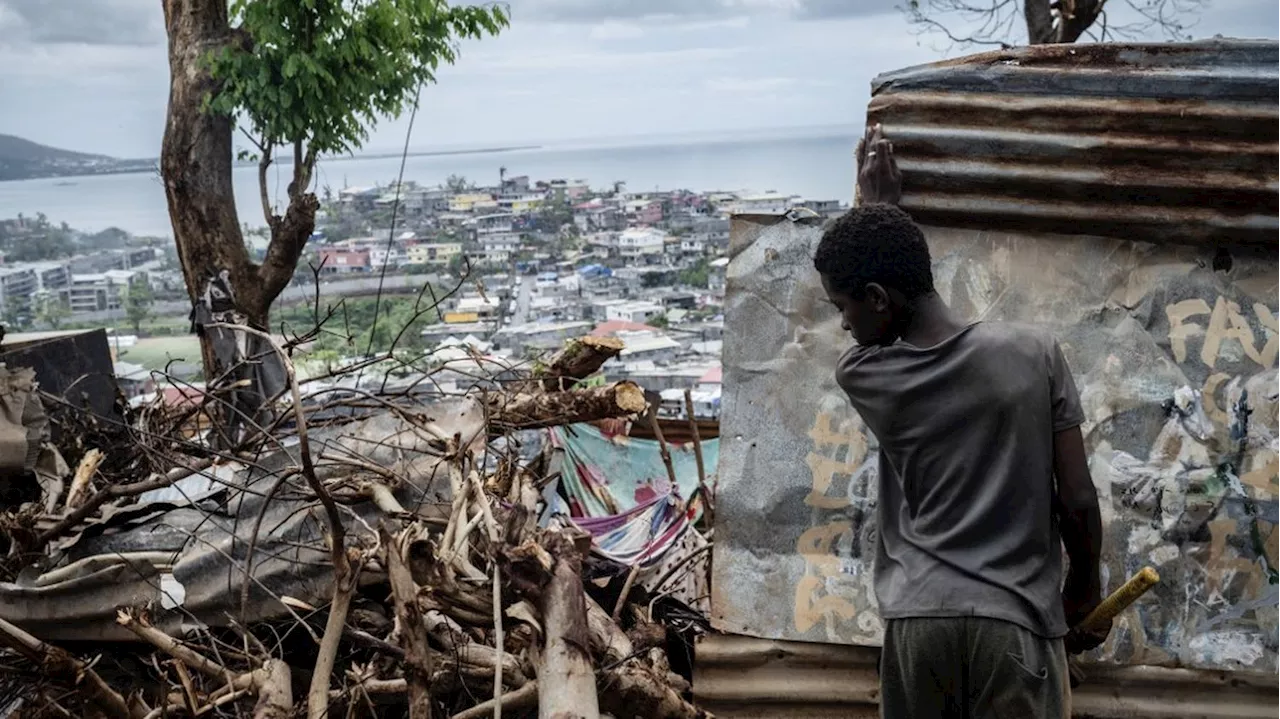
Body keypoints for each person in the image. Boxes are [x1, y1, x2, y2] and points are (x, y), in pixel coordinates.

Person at [814, 125, 1109, 719]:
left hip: (919, 626)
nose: (843, 324)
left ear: (874, 297)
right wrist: (1081, 591)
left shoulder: (868, 376)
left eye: (840, 307)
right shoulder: (1034, 354)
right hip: (1015, 623)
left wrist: (876, 211)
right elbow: (1076, 497)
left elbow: (871, 313)